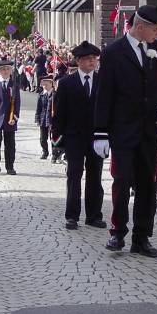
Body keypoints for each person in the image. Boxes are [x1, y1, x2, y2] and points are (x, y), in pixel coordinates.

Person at [93, 4, 157, 258]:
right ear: (140, 27)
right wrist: (101, 132)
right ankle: (118, 231)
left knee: (148, 185)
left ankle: (142, 236)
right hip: (122, 130)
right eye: (155, 29)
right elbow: (104, 94)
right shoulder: (114, 52)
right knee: (122, 181)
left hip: (148, 131)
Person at [52, 41, 105, 230]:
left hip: (96, 137)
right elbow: (58, 114)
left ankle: (93, 215)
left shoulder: (102, 81)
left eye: (94, 59)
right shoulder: (67, 83)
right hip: (74, 137)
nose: (92, 62)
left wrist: (107, 136)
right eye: (88, 59)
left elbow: (107, 110)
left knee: (95, 176)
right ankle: (72, 216)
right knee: (74, 176)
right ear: (79, 61)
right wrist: (57, 141)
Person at [35, 75, 54, 159]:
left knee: (53, 138)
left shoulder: (55, 94)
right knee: (43, 138)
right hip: (43, 118)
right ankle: (45, 152)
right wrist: (37, 118)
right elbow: (38, 108)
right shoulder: (41, 95)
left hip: (52, 119)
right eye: (43, 84)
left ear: (51, 83)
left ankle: (55, 154)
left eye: (46, 84)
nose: (44, 86)